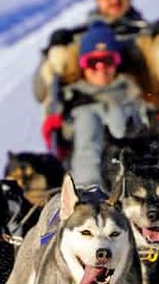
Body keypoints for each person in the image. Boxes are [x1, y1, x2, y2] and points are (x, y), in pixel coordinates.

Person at [42, 22, 150, 187]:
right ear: (82, 64)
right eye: (92, 62)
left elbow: (147, 121)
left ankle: (125, 182)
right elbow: (43, 90)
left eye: (108, 60)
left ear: (117, 62)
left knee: (118, 115)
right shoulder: (72, 95)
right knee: (87, 120)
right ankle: (88, 188)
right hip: (81, 168)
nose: (101, 69)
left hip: (127, 171)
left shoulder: (132, 90)